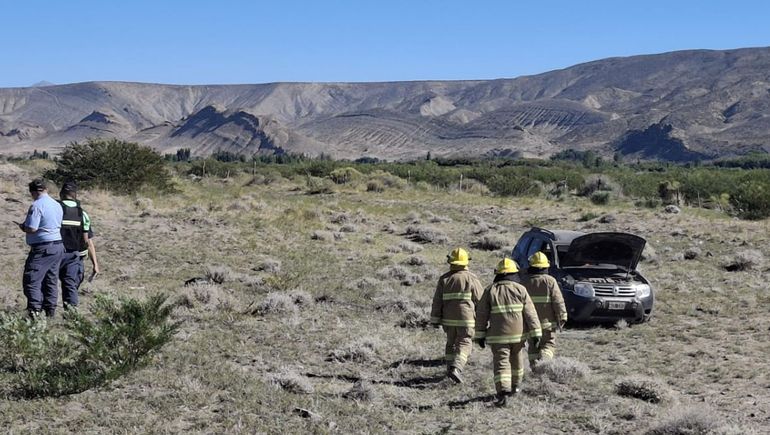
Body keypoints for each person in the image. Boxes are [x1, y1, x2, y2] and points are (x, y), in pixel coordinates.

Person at [475, 258, 541, 407]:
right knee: (517, 360)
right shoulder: (521, 289)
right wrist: (536, 333)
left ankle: (503, 391)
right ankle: (515, 386)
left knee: (501, 363)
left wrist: (479, 334)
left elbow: (481, 314)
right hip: (519, 336)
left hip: (498, 336)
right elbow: (531, 313)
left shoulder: (490, 290)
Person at [430, 247, 484, 384]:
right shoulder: (471, 278)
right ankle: (456, 368)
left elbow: (437, 301)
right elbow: (481, 300)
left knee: (451, 343)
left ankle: (449, 369)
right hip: (466, 319)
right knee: (464, 342)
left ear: (450, 262)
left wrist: (435, 319)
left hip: (448, 320)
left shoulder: (444, 279)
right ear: (466, 262)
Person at [18, 179, 64, 318]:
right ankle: (50, 311)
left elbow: (32, 228)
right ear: (45, 189)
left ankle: (34, 311)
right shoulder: (57, 204)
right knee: (51, 279)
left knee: (31, 280)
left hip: (43, 248)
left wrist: (23, 227)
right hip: (58, 246)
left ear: (32, 192)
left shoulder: (36, 205)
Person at [58, 181, 100, 311]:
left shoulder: (54, 209)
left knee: (48, 284)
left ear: (61, 194)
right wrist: (95, 264)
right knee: (70, 285)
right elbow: (88, 241)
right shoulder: (82, 213)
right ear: (75, 195)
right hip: (75, 257)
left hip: (54, 254)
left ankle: (45, 314)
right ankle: (71, 315)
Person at [523, 251, 567, 363]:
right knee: (548, 344)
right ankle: (544, 359)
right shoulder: (550, 281)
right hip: (547, 324)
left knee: (532, 346)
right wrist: (562, 317)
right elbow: (558, 301)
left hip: (530, 324)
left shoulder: (525, 282)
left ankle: (534, 368)